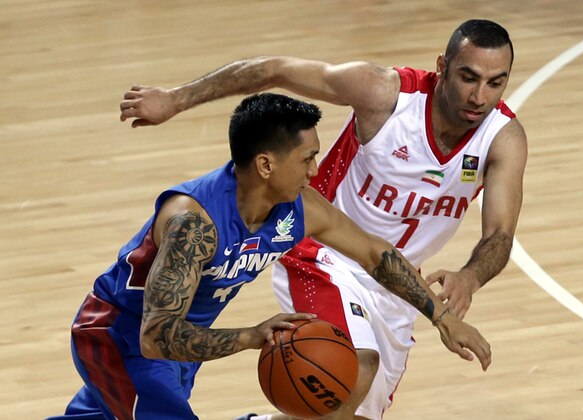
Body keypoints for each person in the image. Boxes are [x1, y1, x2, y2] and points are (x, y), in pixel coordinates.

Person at [118, 19, 523, 419]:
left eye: (495, 83)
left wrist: (470, 277)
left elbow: (500, 235)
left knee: (346, 413)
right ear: (442, 67)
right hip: (324, 251)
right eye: (469, 77)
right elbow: (273, 69)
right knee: (353, 369)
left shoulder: (502, 138)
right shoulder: (384, 94)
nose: (479, 96)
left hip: (395, 279)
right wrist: (175, 100)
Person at [51, 93, 490, 420]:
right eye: (307, 158)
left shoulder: (301, 206)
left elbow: (376, 255)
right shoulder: (193, 223)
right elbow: (155, 336)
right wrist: (251, 336)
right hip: (120, 339)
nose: (315, 171)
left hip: (182, 342)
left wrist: (441, 317)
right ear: (266, 165)